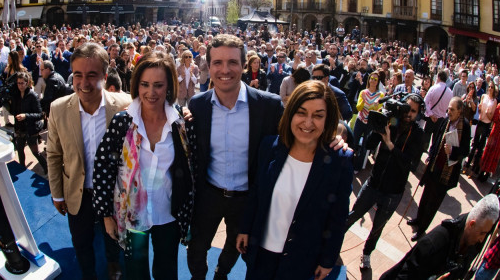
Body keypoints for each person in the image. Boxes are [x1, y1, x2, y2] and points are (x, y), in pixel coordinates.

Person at [185, 34, 345, 280]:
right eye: (217, 62)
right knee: (197, 248)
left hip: (248, 199)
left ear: (244, 64)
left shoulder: (268, 106)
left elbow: (303, 124)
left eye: (232, 62)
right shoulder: (197, 105)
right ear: (209, 65)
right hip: (209, 195)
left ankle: (222, 272)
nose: (224, 70)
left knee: (235, 246)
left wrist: (339, 135)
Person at [236, 80, 354, 280]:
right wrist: (245, 228)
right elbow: (256, 192)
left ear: (328, 119)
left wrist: (328, 260)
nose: (308, 123)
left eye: (318, 115)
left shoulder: (339, 161)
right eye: (301, 112)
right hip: (261, 254)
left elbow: (338, 217)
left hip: (301, 261)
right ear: (290, 113)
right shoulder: (269, 146)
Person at [93, 51, 195, 279]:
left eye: (158, 85)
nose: (151, 92)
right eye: (145, 84)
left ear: (168, 86)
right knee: (136, 272)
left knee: (166, 271)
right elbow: (103, 168)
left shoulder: (180, 123)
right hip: (132, 216)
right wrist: (106, 215)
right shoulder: (122, 122)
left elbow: (192, 169)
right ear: (136, 85)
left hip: (168, 214)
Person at [46, 42, 130, 280]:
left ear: (105, 76)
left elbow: (158, 107)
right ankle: (89, 274)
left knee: (112, 236)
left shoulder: (125, 105)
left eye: (92, 76)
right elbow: (53, 154)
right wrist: (57, 194)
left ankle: (114, 263)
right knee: (81, 241)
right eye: (78, 75)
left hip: (114, 192)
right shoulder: (58, 109)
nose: (83, 83)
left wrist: (185, 113)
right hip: (77, 192)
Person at [345, 94, 425, 269]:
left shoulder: (418, 135)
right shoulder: (392, 123)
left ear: (418, 114)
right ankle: (333, 243)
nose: (408, 113)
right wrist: (380, 124)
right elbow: (369, 144)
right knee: (352, 216)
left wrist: (390, 144)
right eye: (406, 108)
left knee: (377, 229)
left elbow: (409, 163)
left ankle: (366, 254)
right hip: (374, 183)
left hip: (392, 192)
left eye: (413, 111)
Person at [383, 194, 499, 279]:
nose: (482, 239)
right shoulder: (434, 243)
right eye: (482, 233)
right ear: (472, 224)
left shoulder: (473, 243)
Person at [408, 97, 471, 241]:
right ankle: (418, 219)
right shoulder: (445, 121)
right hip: (435, 166)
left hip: (446, 173)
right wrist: (430, 156)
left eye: (452, 109)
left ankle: (422, 228)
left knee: (433, 202)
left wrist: (453, 151)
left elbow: (465, 151)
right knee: (425, 196)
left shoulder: (465, 126)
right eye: (448, 108)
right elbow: (436, 140)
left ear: (460, 111)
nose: (449, 112)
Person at [8, 72, 47, 173]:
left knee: (35, 152)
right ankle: (22, 169)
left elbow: (39, 114)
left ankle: (47, 169)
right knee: (20, 150)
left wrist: (26, 116)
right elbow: (13, 111)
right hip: (20, 129)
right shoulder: (16, 96)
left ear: (27, 83)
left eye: (22, 83)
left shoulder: (32, 96)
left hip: (31, 129)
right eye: (18, 83)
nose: (20, 85)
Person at [353, 72, 384, 170]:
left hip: (370, 124)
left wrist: (373, 105)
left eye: (376, 79)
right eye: (372, 78)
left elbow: (378, 111)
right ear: (369, 79)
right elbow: (358, 107)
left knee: (364, 147)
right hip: (360, 120)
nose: (373, 81)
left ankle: (358, 167)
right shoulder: (363, 92)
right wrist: (366, 102)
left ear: (378, 81)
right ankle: (348, 163)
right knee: (354, 142)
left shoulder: (380, 95)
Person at [465, 85, 497, 177]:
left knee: (480, 148)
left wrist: (488, 113)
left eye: (492, 87)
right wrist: (479, 109)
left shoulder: (494, 101)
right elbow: (479, 111)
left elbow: (491, 118)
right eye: (489, 87)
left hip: (486, 125)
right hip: (480, 122)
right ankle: (467, 165)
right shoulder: (483, 96)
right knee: (474, 144)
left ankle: (474, 170)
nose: (490, 88)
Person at [423, 70, 454, 151]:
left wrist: (430, 114)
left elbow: (425, 102)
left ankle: (421, 155)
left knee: (425, 139)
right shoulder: (450, 92)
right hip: (441, 120)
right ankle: (430, 157)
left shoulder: (433, 88)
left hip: (431, 118)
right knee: (435, 141)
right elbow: (449, 108)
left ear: (438, 77)